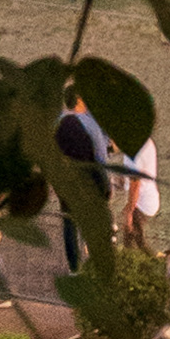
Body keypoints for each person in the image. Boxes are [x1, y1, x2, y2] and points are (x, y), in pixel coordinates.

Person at [54, 95, 122, 269]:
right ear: (79, 101)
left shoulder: (59, 120)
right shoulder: (91, 122)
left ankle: (74, 268)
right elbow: (101, 158)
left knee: (70, 224)